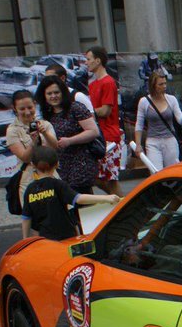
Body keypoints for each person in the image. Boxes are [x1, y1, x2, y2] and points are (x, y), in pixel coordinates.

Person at [21, 146, 120, 241]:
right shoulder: (58, 184)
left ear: (33, 165)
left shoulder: (30, 189)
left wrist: (25, 239)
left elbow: (26, 217)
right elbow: (79, 199)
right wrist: (106, 198)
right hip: (66, 235)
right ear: (57, 164)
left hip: (45, 238)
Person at [36, 76, 100, 195]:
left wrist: (70, 140)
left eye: (56, 92)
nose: (53, 96)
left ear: (63, 92)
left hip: (81, 165)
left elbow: (93, 131)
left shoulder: (75, 107)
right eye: (49, 93)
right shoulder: (47, 114)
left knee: (83, 203)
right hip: (60, 167)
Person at [135, 70, 182, 170]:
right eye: (161, 84)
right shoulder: (144, 102)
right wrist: (138, 144)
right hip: (152, 141)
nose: (164, 86)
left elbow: (181, 121)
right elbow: (139, 124)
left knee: (172, 171)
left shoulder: (171, 99)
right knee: (155, 171)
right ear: (153, 85)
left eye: (165, 83)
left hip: (170, 140)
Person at [85, 46, 122, 195]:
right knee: (98, 177)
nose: (86, 63)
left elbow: (106, 110)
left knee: (110, 179)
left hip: (109, 137)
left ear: (98, 60)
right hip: (99, 136)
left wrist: (88, 114)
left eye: (88, 59)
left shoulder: (108, 82)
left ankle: (122, 205)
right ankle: (119, 203)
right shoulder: (93, 84)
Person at [5, 90, 57, 194]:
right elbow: (25, 158)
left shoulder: (45, 124)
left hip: (51, 175)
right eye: (22, 109)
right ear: (14, 109)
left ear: (35, 104)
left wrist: (45, 133)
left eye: (30, 107)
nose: (27, 112)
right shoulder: (12, 130)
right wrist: (33, 142)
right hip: (29, 178)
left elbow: (55, 147)